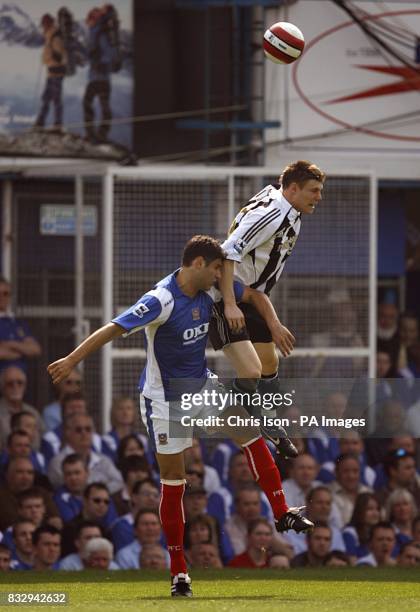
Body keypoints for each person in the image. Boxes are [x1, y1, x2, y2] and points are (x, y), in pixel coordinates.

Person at [48, 235, 313, 597]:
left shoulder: (214, 289)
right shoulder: (161, 299)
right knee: (175, 481)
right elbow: (113, 328)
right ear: (199, 264)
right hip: (165, 403)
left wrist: (274, 324)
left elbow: (256, 296)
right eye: (219, 268)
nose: (224, 275)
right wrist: (71, 360)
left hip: (201, 388)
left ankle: (282, 511)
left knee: (249, 433)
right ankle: (179, 573)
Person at [210, 160, 325, 454]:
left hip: (253, 295)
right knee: (251, 371)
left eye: (320, 191)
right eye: (314, 190)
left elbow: (275, 188)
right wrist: (232, 304)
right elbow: (227, 252)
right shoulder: (273, 214)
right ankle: (238, 410)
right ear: (294, 189)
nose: (319, 197)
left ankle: (267, 420)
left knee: (270, 365)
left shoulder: (290, 206)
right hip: (227, 294)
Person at [83, 5, 121, 143]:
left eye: (90, 18)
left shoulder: (101, 32)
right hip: (100, 77)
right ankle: (100, 135)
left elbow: (111, 54)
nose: (88, 21)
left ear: (94, 19)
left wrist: (99, 60)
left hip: (99, 77)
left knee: (89, 103)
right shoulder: (95, 32)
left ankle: (94, 135)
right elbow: (95, 53)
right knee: (103, 105)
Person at [0, 278, 41, 374]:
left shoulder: (17, 323)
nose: (2, 297)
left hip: (20, 383)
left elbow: (35, 349)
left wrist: (9, 344)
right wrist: (22, 351)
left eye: (5, 293)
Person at [34, 14, 67, 131]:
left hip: (55, 73)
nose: (43, 27)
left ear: (48, 24)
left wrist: (49, 58)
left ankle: (57, 125)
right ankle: (40, 123)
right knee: (47, 98)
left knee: (55, 99)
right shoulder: (50, 36)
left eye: (44, 24)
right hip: (52, 72)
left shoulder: (55, 37)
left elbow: (61, 56)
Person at [0, 367, 44, 451]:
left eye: (19, 383)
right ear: (2, 388)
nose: (15, 386)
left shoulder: (33, 412)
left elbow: (43, 439)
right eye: (10, 383)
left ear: (25, 386)